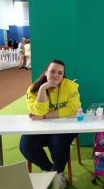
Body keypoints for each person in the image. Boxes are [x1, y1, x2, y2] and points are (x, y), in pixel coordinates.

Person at [19, 59, 81, 189]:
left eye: (60, 73)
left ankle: (58, 173)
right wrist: (42, 89)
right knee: (26, 145)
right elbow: (37, 110)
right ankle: (50, 169)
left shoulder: (70, 86)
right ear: (46, 72)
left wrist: (44, 116)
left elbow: (73, 109)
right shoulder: (33, 89)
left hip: (65, 127)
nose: (56, 75)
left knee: (57, 142)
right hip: (41, 128)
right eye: (52, 71)